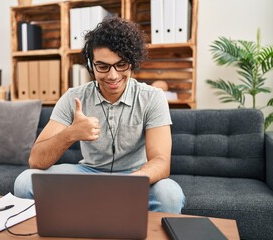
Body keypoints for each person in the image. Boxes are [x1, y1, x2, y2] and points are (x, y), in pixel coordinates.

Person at [14, 16, 185, 213]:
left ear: (132, 62)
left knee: (170, 194)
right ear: (91, 65)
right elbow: (36, 161)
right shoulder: (74, 97)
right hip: (89, 173)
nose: (112, 76)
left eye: (121, 64)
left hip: (136, 176)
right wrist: (71, 133)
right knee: (25, 181)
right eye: (102, 66)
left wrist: (129, 184)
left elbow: (161, 162)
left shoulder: (152, 97)